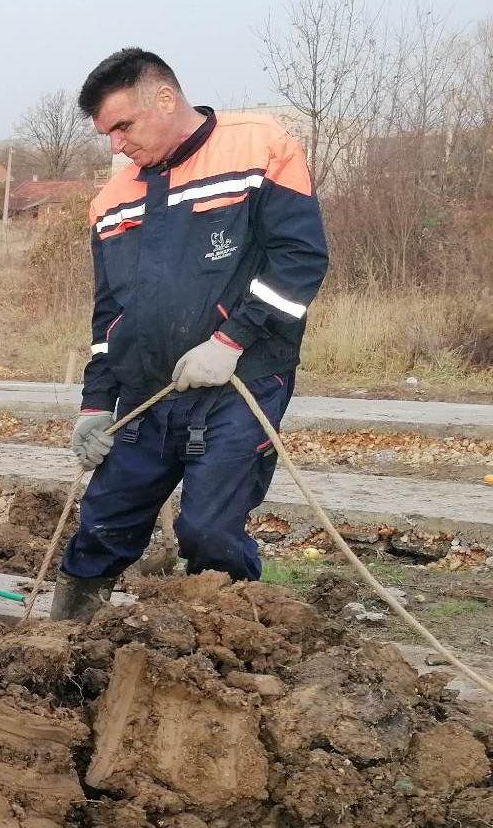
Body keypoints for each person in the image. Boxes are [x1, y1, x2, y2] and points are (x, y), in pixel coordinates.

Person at [54, 49, 328, 618]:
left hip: (240, 385)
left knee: (208, 530)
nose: (116, 145)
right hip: (148, 392)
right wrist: (95, 405)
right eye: (107, 133)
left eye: (123, 126)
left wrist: (230, 342)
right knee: (102, 522)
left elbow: (300, 261)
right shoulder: (111, 200)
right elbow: (110, 314)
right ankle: (62, 643)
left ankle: (228, 652)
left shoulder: (259, 146)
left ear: (164, 99)